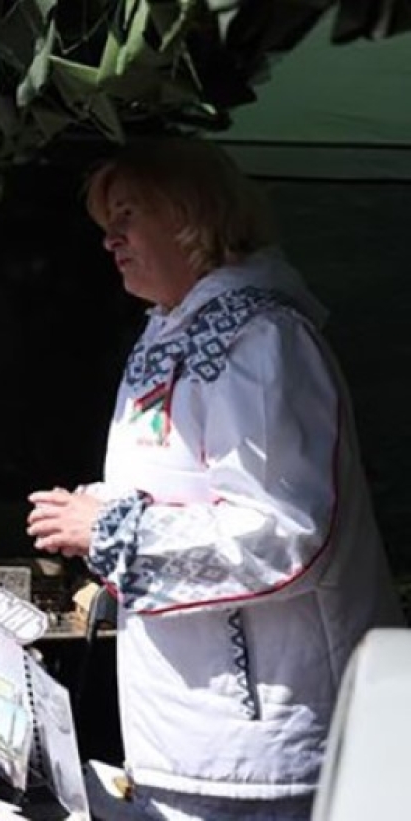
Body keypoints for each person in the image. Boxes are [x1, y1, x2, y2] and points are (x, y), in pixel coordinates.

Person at [25, 137, 403, 820]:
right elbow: (186, 484)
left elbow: (286, 529)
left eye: (128, 216)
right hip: (192, 721)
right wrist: (101, 505)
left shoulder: (262, 339)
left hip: (266, 737)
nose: (110, 240)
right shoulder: (173, 332)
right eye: (106, 225)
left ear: (191, 215)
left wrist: (109, 530)